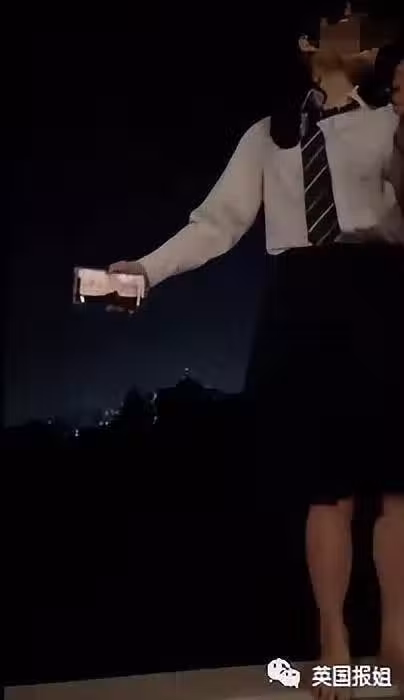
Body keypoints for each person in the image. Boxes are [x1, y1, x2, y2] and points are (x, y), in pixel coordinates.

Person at [108, 12, 404, 698]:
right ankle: (334, 640)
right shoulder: (268, 135)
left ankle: (396, 641)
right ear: (309, 46)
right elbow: (218, 224)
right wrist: (145, 272)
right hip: (303, 300)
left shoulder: (392, 122)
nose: (354, 31)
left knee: (396, 483)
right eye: (338, 22)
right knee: (325, 487)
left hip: (383, 290)